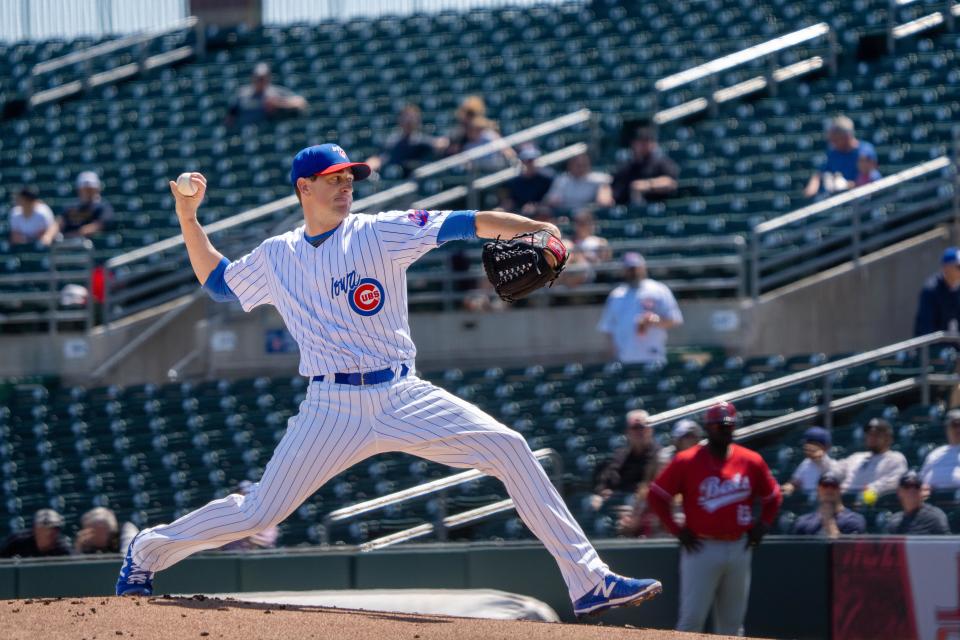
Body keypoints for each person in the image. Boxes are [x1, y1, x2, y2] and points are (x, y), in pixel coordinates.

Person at [115, 142, 662, 617]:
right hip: (329, 406)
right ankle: (147, 552)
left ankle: (590, 583)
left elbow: (465, 223)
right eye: (335, 179)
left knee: (510, 449)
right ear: (304, 187)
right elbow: (218, 284)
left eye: (351, 177)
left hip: (401, 393)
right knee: (260, 512)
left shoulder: (381, 232)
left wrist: (537, 229)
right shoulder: (278, 255)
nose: (346, 186)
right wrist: (189, 216)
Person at [648, 401, 782, 635]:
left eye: (728, 425)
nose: (724, 429)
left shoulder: (750, 460)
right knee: (691, 621)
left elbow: (773, 496)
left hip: (739, 545)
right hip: (701, 547)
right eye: (719, 425)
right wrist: (677, 530)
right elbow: (657, 496)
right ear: (707, 428)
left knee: (732, 626)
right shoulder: (687, 460)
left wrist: (764, 524)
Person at [597, 252, 683, 365]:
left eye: (636, 268)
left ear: (643, 268)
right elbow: (608, 328)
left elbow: (675, 319)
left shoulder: (658, 290)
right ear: (624, 271)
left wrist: (654, 321)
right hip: (624, 359)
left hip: (653, 357)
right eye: (630, 269)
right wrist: (613, 353)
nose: (634, 272)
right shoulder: (617, 295)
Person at [589, 410, 661, 511]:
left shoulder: (659, 455)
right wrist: (602, 492)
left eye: (642, 427)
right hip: (622, 505)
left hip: (647, 507)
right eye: (635, 428)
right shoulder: (621, 455)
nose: (639, 432)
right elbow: (607, 478)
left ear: (650, 430)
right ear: (627, 432)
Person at [803, 115, 875, 198]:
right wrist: (813, 184)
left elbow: (866, 181)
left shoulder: (864, 151)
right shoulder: (834, 152)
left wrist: (846, 185)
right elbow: (821, 172)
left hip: (859, 199)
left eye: (836, 139)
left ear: (847, 137)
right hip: (837, 198)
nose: (833, 143)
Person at [840, 418, 908, 500]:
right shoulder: (856, 457)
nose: (871, 437)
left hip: (868, 501)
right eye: (869, 434)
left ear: (888, 439)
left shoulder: (896, 458)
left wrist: (872, 488)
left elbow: (893, 482)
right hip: (843, 498)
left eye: (877, 435)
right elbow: (835, 470)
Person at [366, 104, 438, 178]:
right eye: (405, 117)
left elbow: (439, 144)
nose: (408, 120)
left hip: (413, 180)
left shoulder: (423, 140)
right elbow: (380, 158)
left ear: (418, 120)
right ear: (399, 119)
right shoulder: (392, 141)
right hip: (393, 178)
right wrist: (368, 166)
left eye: (412, 117)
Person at [226, 62, 308, 128]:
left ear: (268, 77)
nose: (260, 81)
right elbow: (231, 117)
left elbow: (301, 102)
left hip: (272, 132)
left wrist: (278, 103)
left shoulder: (276, 91)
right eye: (258, 77)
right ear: (253, 77)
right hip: (247, 132)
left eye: (263, 78)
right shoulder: (242, 94)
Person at [611, 127, 679, 205]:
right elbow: (615, 188)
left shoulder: (661, 162)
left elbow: (671, 183)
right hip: (628, 209)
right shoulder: (626, 165)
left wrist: (647, 185)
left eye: (647, 142)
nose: (644, 146)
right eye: (641, 142)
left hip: (658, 206)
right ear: (634, 143)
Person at [42, 171, 113, 243]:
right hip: (67, 245)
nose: (88, 192)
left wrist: (69, 236)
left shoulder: (103, 207)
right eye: (85, 189)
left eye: (90, 189)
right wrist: (48, 236)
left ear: (97, 189)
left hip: (91, 246)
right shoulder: (70, 207)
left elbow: (97, 226)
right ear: (79, 190)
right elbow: (59, 222)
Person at [791, 471, 866, 537]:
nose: (829, 489)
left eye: (833, 486)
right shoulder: (804, 521)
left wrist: (829, 520)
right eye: (825, 485)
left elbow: (844, 550)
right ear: (818, 490)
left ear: (840, 490)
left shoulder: (854, 520)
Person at [780, 426, 842, 498]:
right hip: (806, 505)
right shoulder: (805, 463)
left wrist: (820, 458)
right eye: (808, 443)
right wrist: (790, 486)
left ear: (826, 447)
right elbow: (795, 482)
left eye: (814, 444)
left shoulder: (833, 465)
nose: (809, 447)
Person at [544, 152, 614, 213]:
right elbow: (551, 201)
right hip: (566, 217)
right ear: (570, 166)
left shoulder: (600, 179)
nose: (581, 168)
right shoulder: (562, 180)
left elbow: (605, 201)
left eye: (584, 165)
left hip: (590, 217)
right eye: (577, 165)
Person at [218, 481, 279, 551]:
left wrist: (247, 535)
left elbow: (268, 543)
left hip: (257, 557)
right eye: (243, 494)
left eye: (249, 495)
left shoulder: (266, 517)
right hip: (230, 557)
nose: (246, 498)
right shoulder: (229, 518)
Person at [914, 246, 960, 336]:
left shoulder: (957, 289)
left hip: (952, 344)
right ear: (946, 267)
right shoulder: (931, 290)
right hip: (931, 346)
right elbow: (926, 329)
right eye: (958, 267)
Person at [885, 471, 950, 535]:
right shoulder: (894, 521)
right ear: (899, 492)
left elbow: (947, 544)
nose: (912, 490)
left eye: (916, 486)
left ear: (922, 490)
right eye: (906, 486)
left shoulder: (934, 517)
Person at [559, 210, 611, 288]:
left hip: (589, 272)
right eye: (578, 223)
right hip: (569, 270)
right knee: (566, 245)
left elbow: (604, 263)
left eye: (583, 222)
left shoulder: (599, 241)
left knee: (579, 265)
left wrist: (583, 256)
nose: (580, 226)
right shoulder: (570, 241)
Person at [498, 144, 554, 216]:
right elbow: (509, 203)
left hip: (540, 216)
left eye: (531, 160)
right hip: (518, 216)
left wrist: (536, 208)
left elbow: (550, 202)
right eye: (526, 161)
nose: (529, 163)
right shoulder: (513, 182)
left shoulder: (547, 179)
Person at [0, 508, 72, 558]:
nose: (50, 532)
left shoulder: (62, 548)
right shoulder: (18, 542)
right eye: (45, 528)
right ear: (35, 529)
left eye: (55, 528)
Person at [919, 408, 960, 489]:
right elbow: (921, 480)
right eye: (954, 425)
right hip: (934, 499)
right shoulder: (935, 454)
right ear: (947, 428)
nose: (958, 429)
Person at [75, 507, 139, 554]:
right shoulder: (86, 543)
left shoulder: (126, 529)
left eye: (93, 531)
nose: (89, 535)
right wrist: (79, 549)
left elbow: (129, 557)